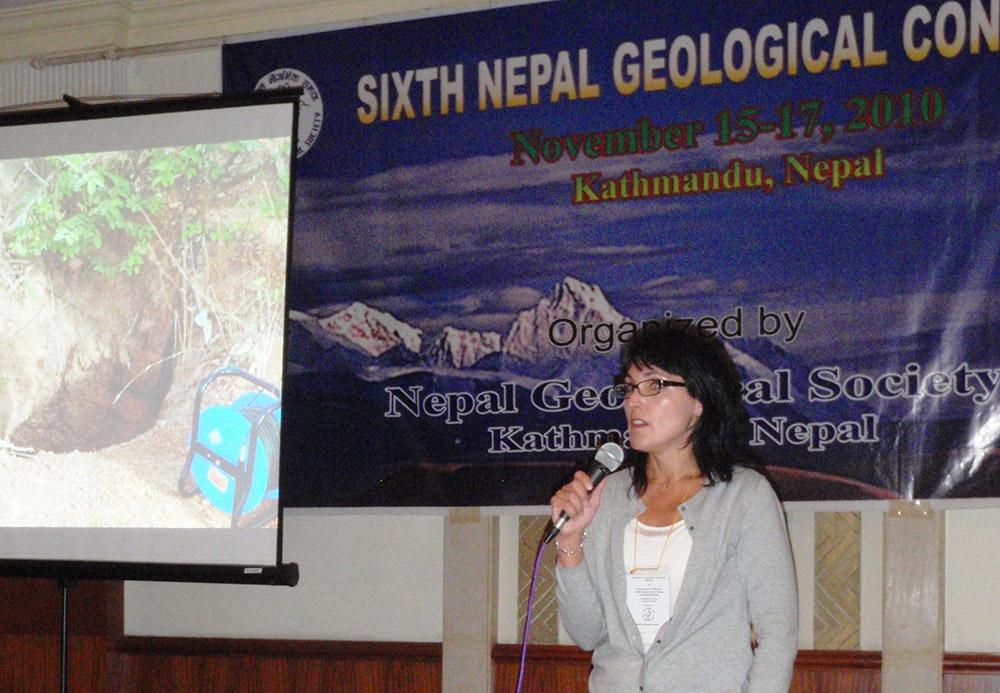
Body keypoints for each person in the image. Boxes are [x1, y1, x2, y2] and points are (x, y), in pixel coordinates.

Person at [550, 319, 798, 692]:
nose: (633, 400)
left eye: (654, 385)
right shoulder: (608, 495)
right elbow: (587, 634)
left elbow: (777, 635)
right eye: (630, 387)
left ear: (698, 402)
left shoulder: (743, 497)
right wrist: (571, 541)